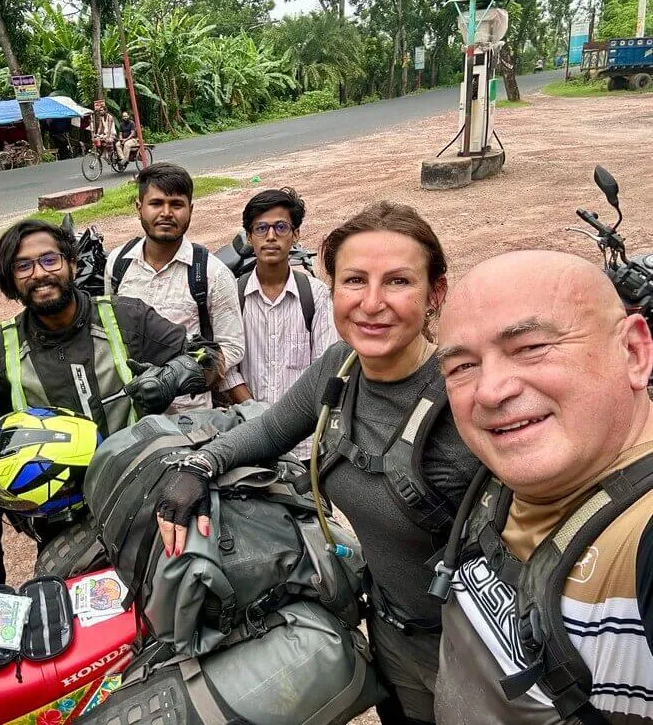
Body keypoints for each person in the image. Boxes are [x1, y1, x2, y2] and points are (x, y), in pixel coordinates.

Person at [150, 202, 483, 725]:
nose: (372, 304)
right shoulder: (340, 368)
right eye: (354, 281)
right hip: (392, 632)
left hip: (476, 653)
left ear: (435, 293)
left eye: (397, 281)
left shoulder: (469, 399)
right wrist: (197, 466)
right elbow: (269, 430)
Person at [433, 250, 653, 725]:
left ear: (634, 352)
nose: (490, 391)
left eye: (531, 347)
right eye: (462, 367)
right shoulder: (499, 480)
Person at [0, 219, 223, 546]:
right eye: (23, 266)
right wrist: (2, 437)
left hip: (141, 496)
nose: (40, 273)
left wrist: (172, 378)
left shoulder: (125, 317)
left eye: (49, 259)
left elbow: (211, 356)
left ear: (71, 263)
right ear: (10, 280)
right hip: (57, 517)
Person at [105, 163, 245, 410]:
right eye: (156, 203)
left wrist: (178, 376)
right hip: (130, 413)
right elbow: (111, 329)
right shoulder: (118, 264)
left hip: (190, 419)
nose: (166, 213)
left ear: (190, 209)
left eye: (176, 204)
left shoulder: (212, 273)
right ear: (139, 208)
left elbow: (231, 347)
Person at [220, 188, 338, 463]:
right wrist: (258, 416)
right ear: (249, 236)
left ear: (295, 235)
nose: (271, 237)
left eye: (280, 227)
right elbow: (227, 368)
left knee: (313, 505)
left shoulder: (316, 295)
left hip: (306, 445)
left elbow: (325, 368)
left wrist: (288, 423)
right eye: (261, 228)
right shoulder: (234, 296)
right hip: (250, 440)